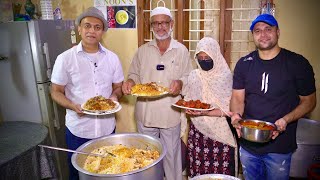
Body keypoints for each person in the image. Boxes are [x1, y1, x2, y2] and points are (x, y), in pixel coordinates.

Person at [230, 14, 316, 180]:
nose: (263, 34)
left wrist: (286, 119)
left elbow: (309, 101)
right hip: (248, 145)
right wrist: (236, 116)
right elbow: (237, 99)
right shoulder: (244, 64)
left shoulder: (297, 64)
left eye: (268, 29)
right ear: (253, 36)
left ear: (278, 32)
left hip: (280, 146)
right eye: (257, 31)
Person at [50, 7, 124, 180]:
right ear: (79, 28)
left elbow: (118, 87)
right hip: (78, 131)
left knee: (108, 171)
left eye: (97, 27)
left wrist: (114, 97)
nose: (92, 31)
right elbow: (55, 91)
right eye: (87, 26)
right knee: (79, 174)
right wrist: (72, 105)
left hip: (107, 130)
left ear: (103, 31)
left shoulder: (112, 58)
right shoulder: (65, 58)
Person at [122, 6, 193, 180]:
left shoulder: (181, 50)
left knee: (172, 156)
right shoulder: (142, 51)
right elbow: (133, 75)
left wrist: (181, 83)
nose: (160, 27)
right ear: (151, 26)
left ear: (171, 24)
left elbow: (190, 78)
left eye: (164, 23)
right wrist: (130, 82)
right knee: (148, 157)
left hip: (170, 113)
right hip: (145, 114)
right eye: (156, 23)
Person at [180, 37, 238, 178]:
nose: (203, 60)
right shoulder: (194, 76)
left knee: (220, 173)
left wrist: (207, 113)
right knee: (199, 172)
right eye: (200, 57)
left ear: (215, 55)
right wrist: (190, 110)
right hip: (198, 135)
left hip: (221, 135)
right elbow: (189, 100)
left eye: (207, 57)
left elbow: (229, 110)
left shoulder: (225, 77)